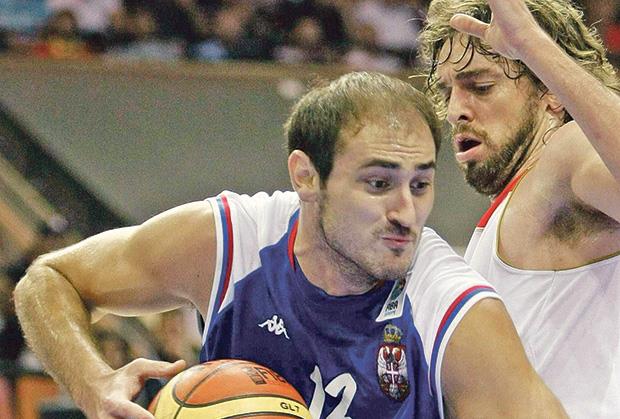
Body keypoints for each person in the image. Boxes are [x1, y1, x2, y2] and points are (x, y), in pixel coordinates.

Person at [13, 72, 566, 418]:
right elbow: (48, 280)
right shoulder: (233, 240)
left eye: (420, 184)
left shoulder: (453, 311)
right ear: (306, 176)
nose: (406, 212)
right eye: (378, 183)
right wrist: (95, 386)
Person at [419, 0, 620, 417]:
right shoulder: (518, 201)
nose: (455, 111)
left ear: (551, 94)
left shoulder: (565, 155)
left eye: (480, 86)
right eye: (447, 91)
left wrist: (531, 43)